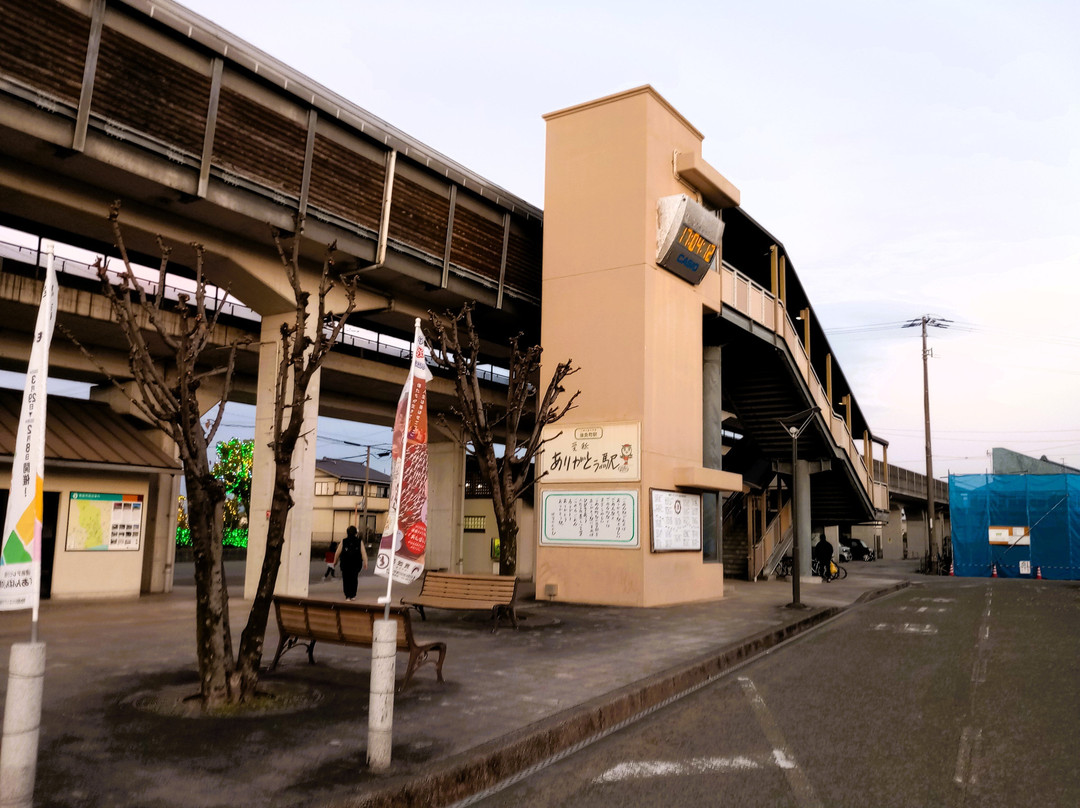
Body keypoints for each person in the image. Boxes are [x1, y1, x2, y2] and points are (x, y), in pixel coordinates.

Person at [334, 525, 368, 601]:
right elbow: (363, 553)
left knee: (346, 579)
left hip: (345, 564)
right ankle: (353, 595)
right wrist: (365, 562)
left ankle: (347, 596)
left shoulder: (344, 541)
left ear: (347, 533)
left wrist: (335, 561)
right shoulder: (359, 541)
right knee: (354, 579)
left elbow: (337, 553)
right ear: (356, 533)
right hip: (356, 564)